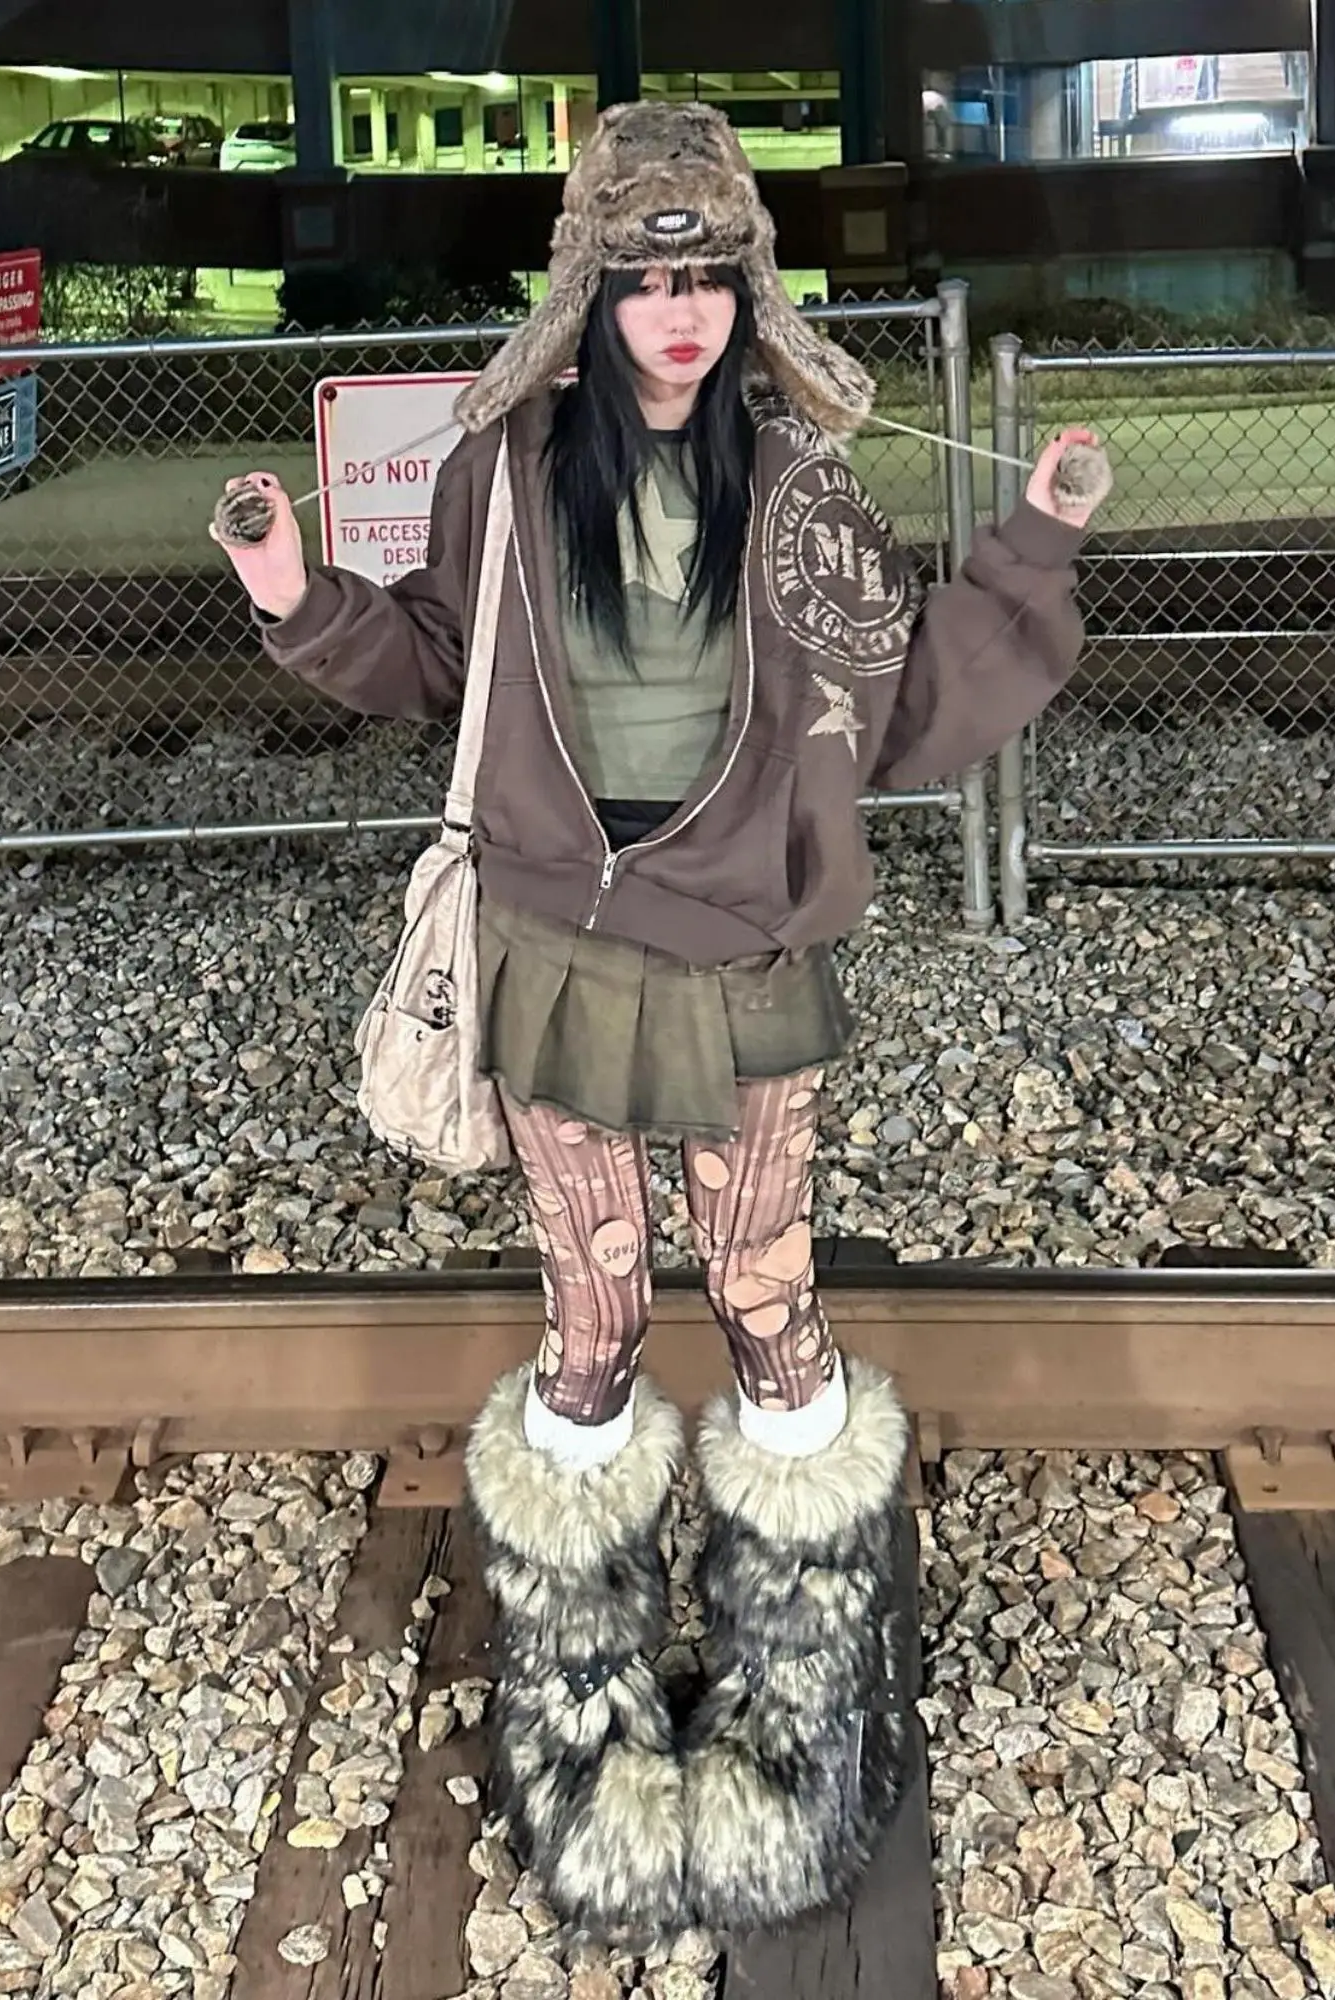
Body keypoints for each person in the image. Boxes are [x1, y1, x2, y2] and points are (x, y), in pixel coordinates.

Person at [215, 101, 1102, 1942]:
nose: (681, 313)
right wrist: (294, 594)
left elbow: (906, 702)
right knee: (595, 1320)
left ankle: (799, 1740)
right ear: (591, 294)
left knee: (771, 1309)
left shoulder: (801, 482)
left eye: (709, 276)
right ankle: (588, 1749)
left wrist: (1033, 542)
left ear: (748, 289)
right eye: (644, 277)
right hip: (555, 938)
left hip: (747, 944)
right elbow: (440, 666)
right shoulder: (505, 471)